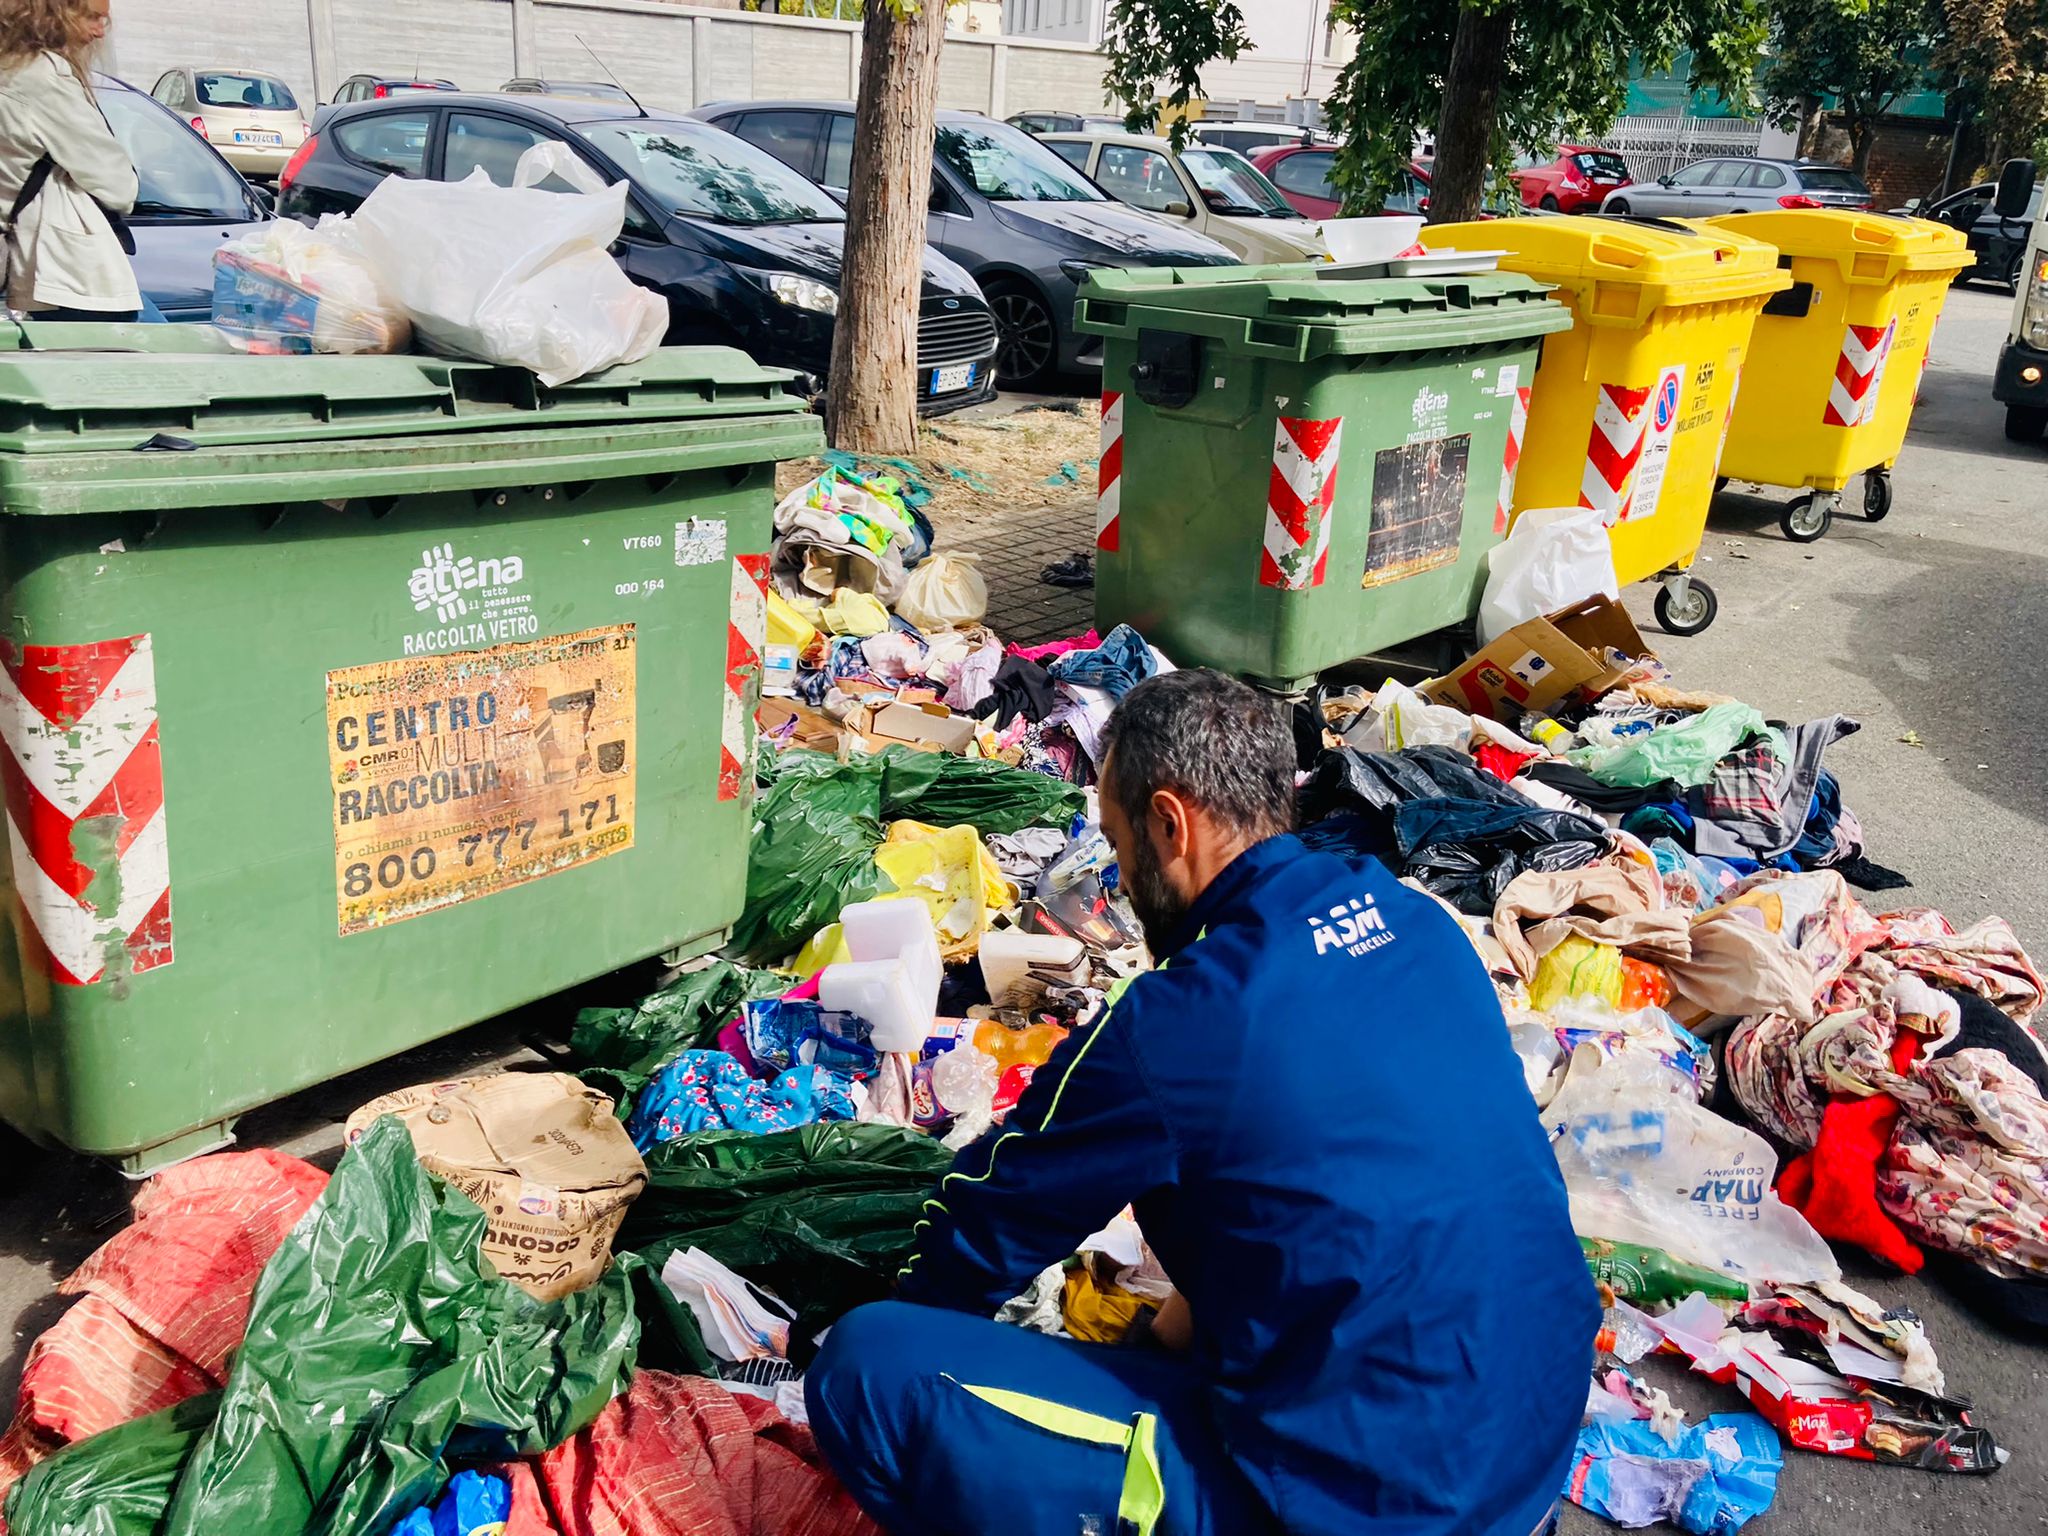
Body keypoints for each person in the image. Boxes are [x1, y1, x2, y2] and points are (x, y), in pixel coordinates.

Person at [807, 668, 1599, 1536]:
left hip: (1385, 1507)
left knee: (869, 1368)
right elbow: (1314, 1211)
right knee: (1205, 1274)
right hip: (1526, 1461)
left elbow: (982, 1235)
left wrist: (895, 1319)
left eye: (1115, 838)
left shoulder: (1179, 1019)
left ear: (1169, 823)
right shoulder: (1417, 924)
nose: (1116, 868)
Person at [0, 0, 140, 322]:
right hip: (63, 275)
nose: (99, 31)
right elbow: (119, 186)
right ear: (51, 15)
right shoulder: (40, 75)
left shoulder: (9, 67)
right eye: (91, 18)